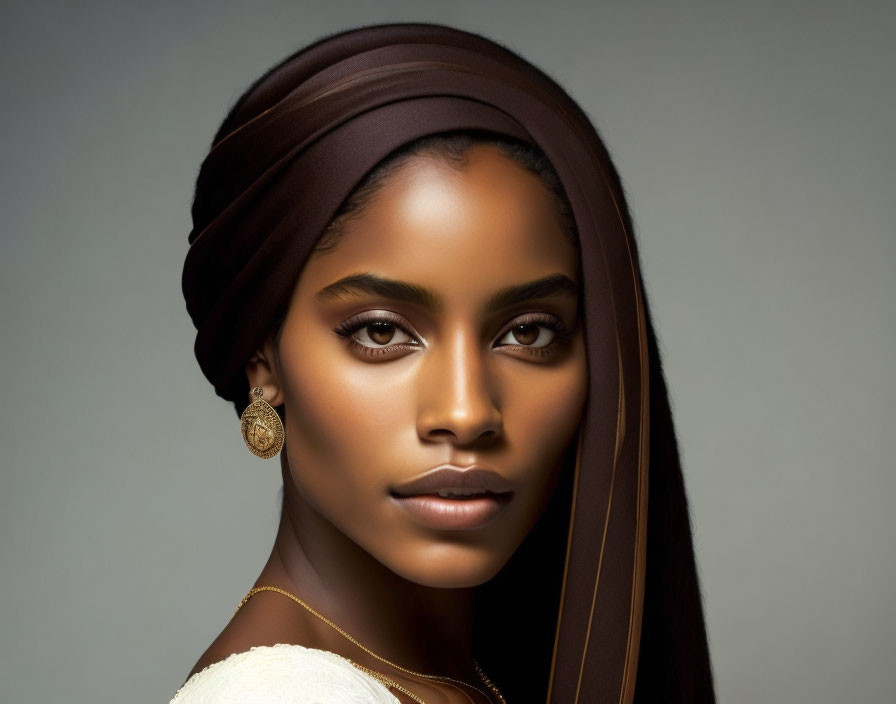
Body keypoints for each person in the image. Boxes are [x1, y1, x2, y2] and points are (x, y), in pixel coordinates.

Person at [174, 21, 715, 704]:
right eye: (380, 331)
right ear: (262, 357)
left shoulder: (470, 680)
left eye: (527, 333)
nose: (466, 412)